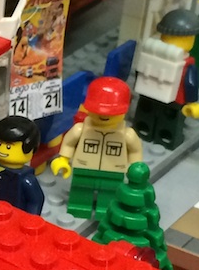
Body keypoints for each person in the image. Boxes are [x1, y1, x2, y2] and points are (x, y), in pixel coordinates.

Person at [51, 77, 141, 219]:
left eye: (111, 112)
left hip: (113, 171)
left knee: (109, 193)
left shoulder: (127, 134)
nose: (104, 115)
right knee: (81, 190)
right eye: (98, 110)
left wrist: (135, 168)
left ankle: (106, 211)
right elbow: (68, 143)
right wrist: (63, 159)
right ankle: (79, 207)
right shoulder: (80, 129)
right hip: (83, 167)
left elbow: (135, 151)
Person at [131, 8, 199, 149]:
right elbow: (190, 83)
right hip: (175, 100)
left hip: (148, 93)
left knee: (146, 112)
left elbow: (139, 71)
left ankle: (142, 131)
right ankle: (165, 139)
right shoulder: (187, 64)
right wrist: (192, 102)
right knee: (170, 121)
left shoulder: (151, 51)